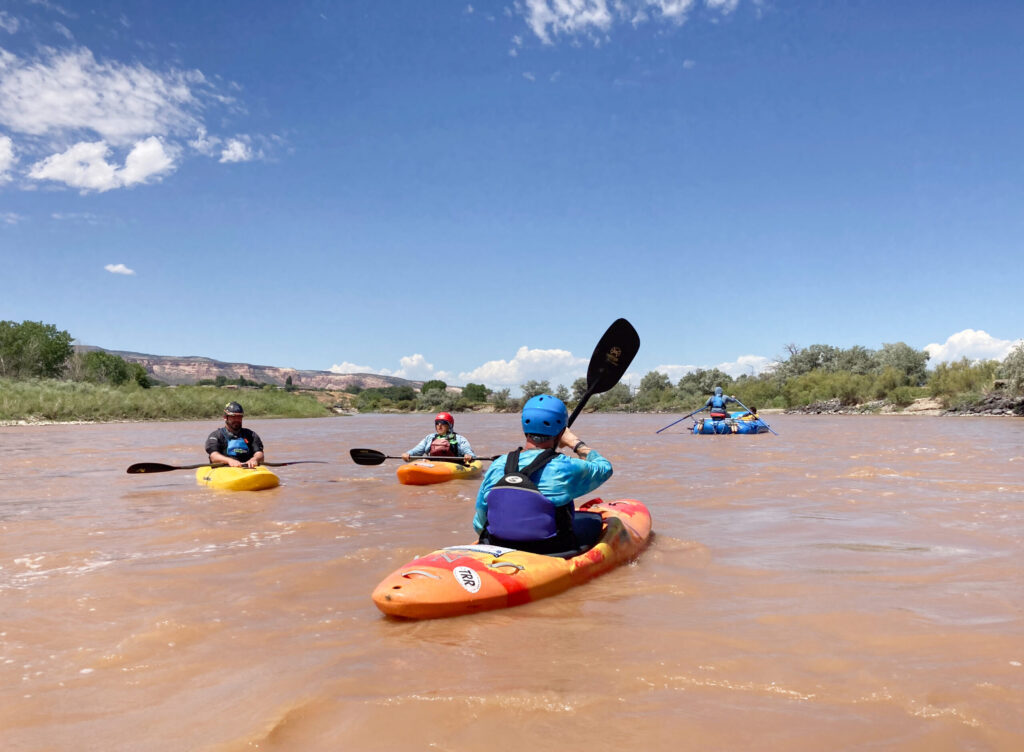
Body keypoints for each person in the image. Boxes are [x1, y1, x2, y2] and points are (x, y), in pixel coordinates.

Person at [473, 394, 612, 555]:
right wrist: (575, 443)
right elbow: (605, 467)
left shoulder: (498, 464)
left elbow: (481, 517)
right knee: (593, 521)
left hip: (497, 543)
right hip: (551, 549)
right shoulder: (564, 466)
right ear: (562, 431)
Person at [205, 401, 265, 468]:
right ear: (225, 417)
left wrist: (254, 459)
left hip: (247, 469)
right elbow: (213, 456)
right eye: (233, 417)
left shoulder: (251, 435)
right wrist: (229, 461)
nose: (237, 419)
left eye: (239, 417)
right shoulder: (216, 435)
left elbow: (260, 454)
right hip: (224, 470)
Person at [402, 412, 475, 463]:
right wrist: (408, 454)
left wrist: (469, 456)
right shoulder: (430, 438)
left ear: (449, 426)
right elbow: (418, 450)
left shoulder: (459, 438)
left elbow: (467, 450)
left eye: (443, 423)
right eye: (437, 423)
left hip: (453, 465)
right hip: (434, 465)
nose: (439, 425)